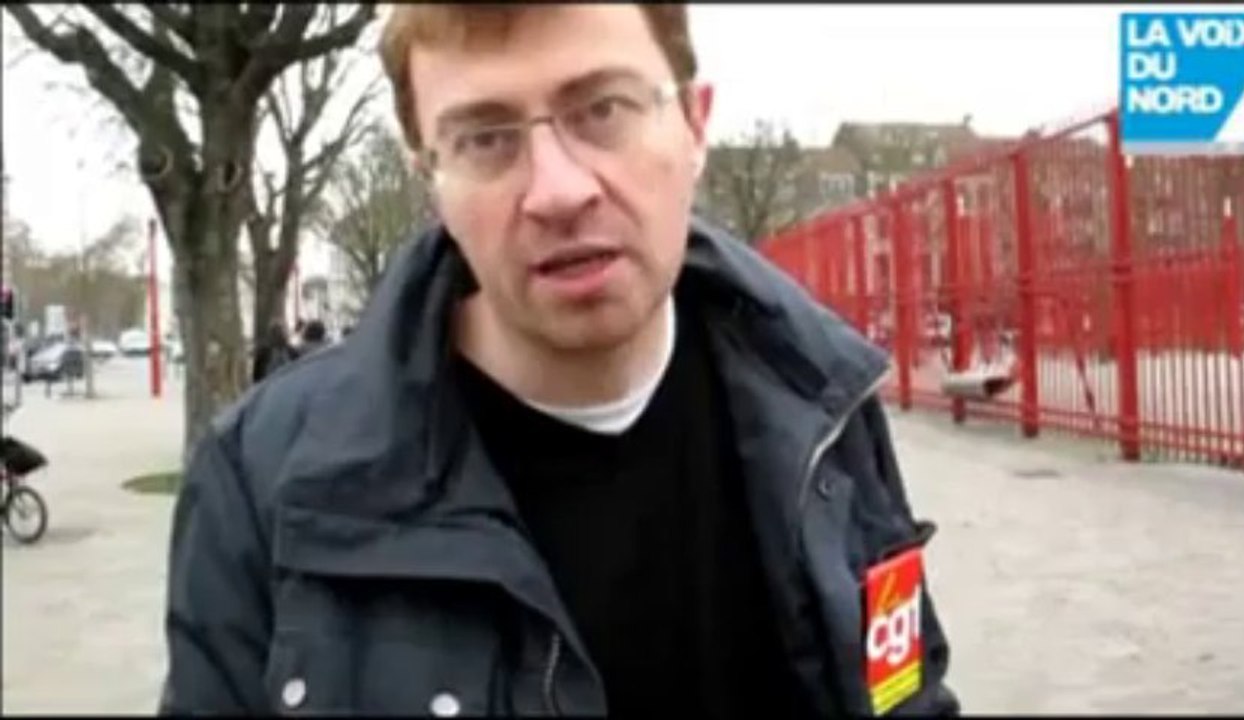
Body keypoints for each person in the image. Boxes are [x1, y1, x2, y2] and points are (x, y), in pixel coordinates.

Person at [160, 5, 959, 717]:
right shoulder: (264, 480)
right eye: (484, 138)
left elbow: (899, 691)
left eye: (602, 109)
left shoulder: (825, 406)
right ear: (429, 175)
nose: (557, 190)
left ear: (694, 124)